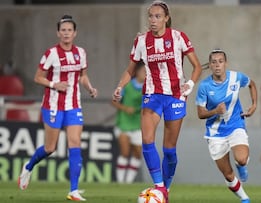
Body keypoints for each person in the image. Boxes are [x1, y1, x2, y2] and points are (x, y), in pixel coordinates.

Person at [112, 1, 202, 202]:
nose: (153, 20)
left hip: (175, 96)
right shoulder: (141, 41)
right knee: (147, 141)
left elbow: (197, 66)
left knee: (169, 150)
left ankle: (165, 191)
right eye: (150, 16)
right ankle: (159, 187)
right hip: (152, 95)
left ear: (166, 18)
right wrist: (120, 87)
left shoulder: (178, 37)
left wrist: (190, 84)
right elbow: (130, 70)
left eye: (158, 16)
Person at [18, 15, 97, 201]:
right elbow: (38, 77)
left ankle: (74, 190)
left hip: (73, 104)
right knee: (50, 147)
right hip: (53, 105)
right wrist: (54, 84)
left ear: (75, 33)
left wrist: (90, 88)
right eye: (63, 30)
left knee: (75, 143)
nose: (66, 33)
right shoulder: (51, 53)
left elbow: (83, 76)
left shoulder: (81, 53)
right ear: (58, 33)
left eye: (70, 30)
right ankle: (28, 167)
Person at [196, 49, 257, 203]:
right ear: (210, 65)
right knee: (228, 174)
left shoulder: (236, 78)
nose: (217, 65)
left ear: (225, 63)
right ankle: (245, 198)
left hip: (235, 125)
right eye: (214, 62)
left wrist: (254, 105)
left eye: (220, 61)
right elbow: (201, 114)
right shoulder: (204, 87)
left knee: (242, 159)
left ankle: (241, 166)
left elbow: (252, 84)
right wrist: (215, 111)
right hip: (215, 133)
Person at [112, 60, 146, 184]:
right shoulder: (127, 85)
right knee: (125, 152)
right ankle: (121, 182)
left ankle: (129, 181)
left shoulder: (148, 88)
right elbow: (114, 101)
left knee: (137, 154)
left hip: (137, 125)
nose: (145, 74)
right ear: (137, 72)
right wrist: (125, 108)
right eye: (143, 71)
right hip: (124, 123)